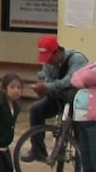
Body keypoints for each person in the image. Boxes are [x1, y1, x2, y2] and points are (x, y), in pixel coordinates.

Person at [20, 34, 88, 162]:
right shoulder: (48, 64)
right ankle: (38, 150)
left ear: (58, 52)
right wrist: (43, 89)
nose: (48, 61)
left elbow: (71, 80)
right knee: (36, 110)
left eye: (50, 57)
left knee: (80, 136)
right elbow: (47, 80)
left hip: (77, 101)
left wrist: (48, 86)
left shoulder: (77, 59)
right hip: (59, 98)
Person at [71, 60, 96, 172]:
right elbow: (75, 77)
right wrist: (80, 77)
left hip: (93, 122)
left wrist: (81, 78)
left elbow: (83, 78)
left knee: (94, 163)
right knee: (86, 164)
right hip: (83, 120)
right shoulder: (92, 63)